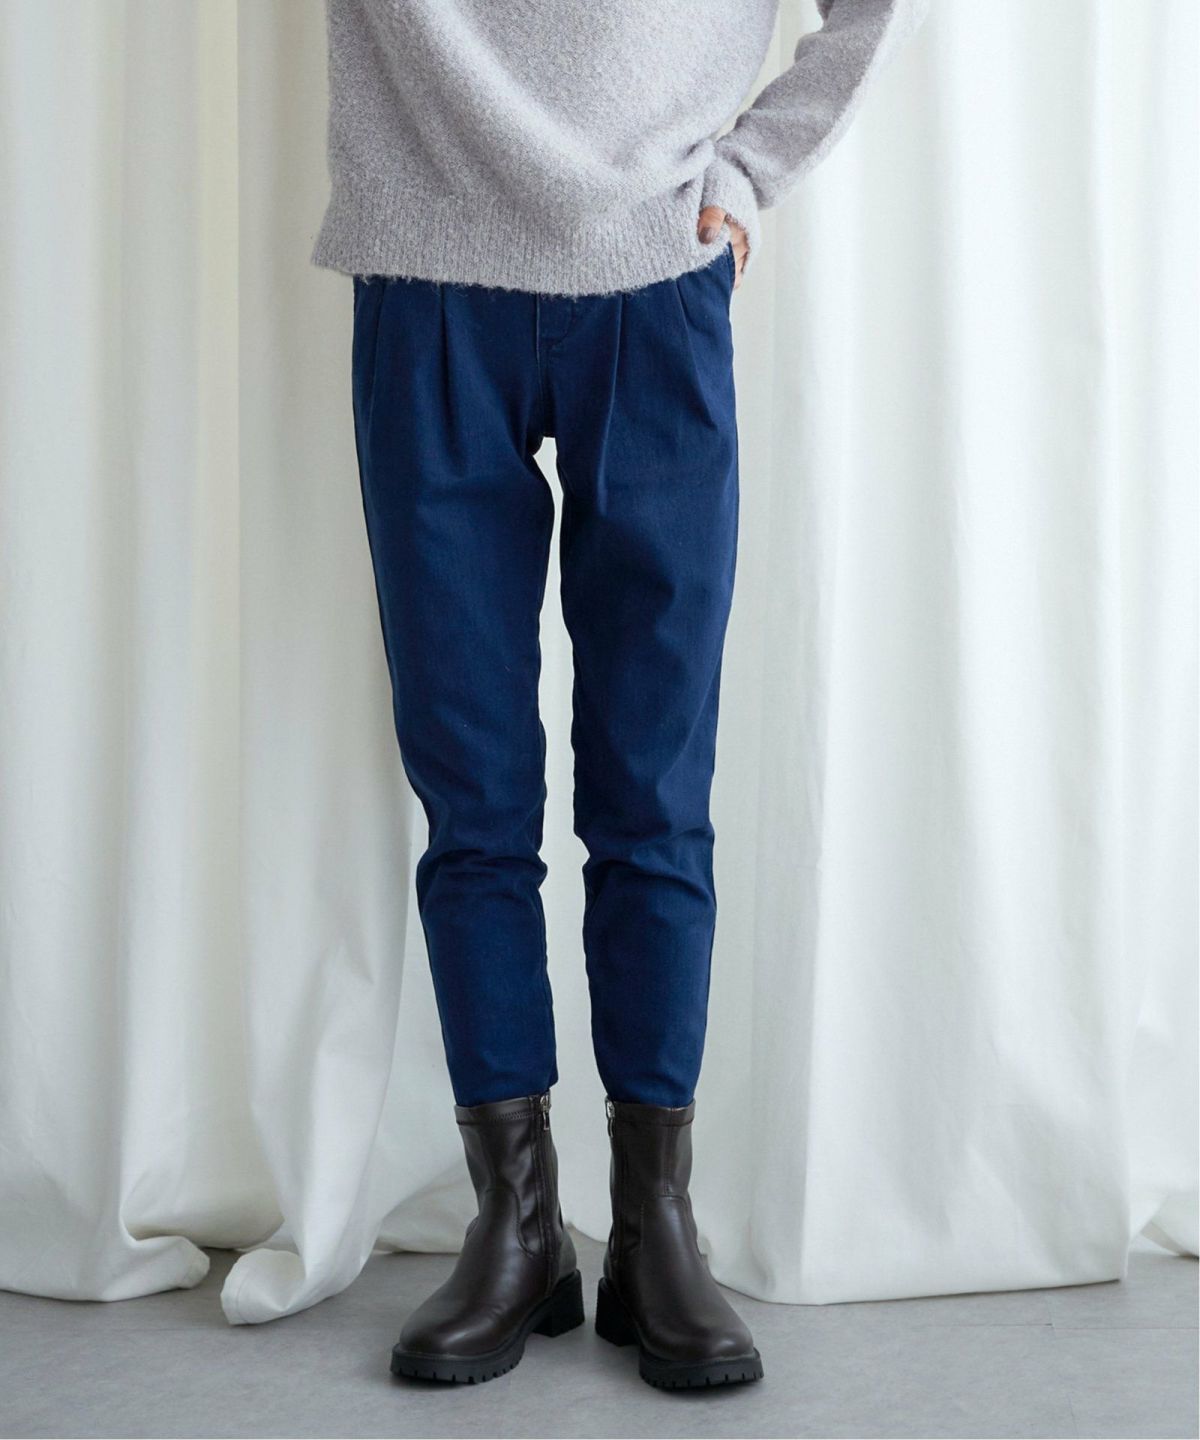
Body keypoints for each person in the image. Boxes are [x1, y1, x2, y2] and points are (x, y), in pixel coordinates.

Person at [313, 0, 927, 1391]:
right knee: (472, 796)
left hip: (657, 273)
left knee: (654, 793)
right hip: (425, 267)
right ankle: (519, 1223)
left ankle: (656, 1225)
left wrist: (750, 168)